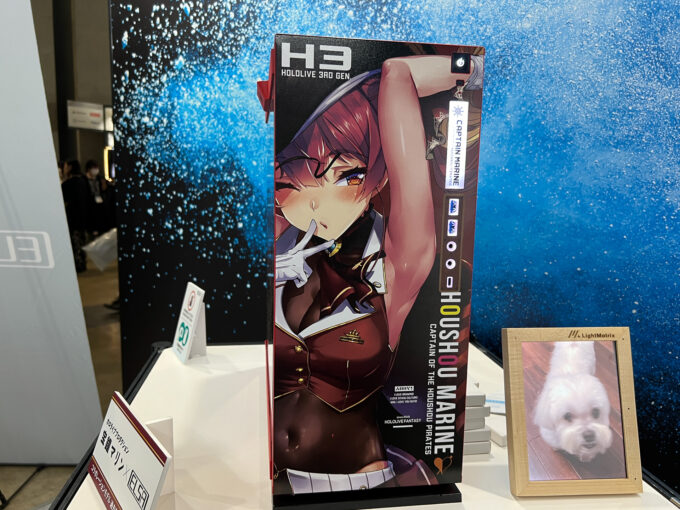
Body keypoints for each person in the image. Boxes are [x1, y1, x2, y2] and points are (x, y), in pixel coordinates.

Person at [273, 54, 483, 494]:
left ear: (375, 184)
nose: (319, 199)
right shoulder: (285, 249)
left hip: (356, 486)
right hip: (277, 484)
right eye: (306, 172)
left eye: (347, 176)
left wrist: (471, 67)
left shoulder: (395, 267)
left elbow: (397, 74)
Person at [61, 159, 90, 272]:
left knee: (75, 241)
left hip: (72, 217)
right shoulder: (83, 181)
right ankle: (82, 262)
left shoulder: (69, 183)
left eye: (65, 166)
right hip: (83, 216)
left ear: (70, 168)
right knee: (81, 240)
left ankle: (78, 264)